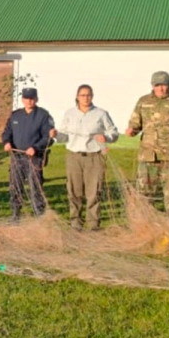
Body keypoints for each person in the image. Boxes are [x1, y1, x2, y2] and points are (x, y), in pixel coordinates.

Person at [125, 71, 169, 217]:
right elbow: (135, 122)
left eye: (164, 85)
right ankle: (146, 221)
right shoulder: (143, 101)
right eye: (158, 85)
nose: (161, 89)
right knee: (145, 191)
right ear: (152, 86)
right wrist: (132, 130)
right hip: (148, 154)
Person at [52, 85, 119, 230]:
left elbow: (114, 133)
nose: (85, 98)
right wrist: (56, 135)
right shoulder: (70, 113)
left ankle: (93, 223)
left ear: (92, 96)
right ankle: (76, 221)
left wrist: (106, 137)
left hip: (94, 156)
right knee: (74, 190)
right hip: (74, 156)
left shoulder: (101, 114)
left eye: (88, 95)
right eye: (82, 95)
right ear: (77, 97)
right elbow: (64, 136)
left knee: (94, 191)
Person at [2, 88, 55, 220]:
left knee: (35, 187)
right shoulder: (15, 115)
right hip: (17, 157)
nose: (29, 101)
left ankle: (39, 216)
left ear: (36, 99)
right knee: (15, 187)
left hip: (34, 158)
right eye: (26, 98)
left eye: (32, 98)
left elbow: (48, 138)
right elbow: (7, 132)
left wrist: (35, 148)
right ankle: (15, 215)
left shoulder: (43, 115)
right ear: (22, 99)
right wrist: (7, 142)